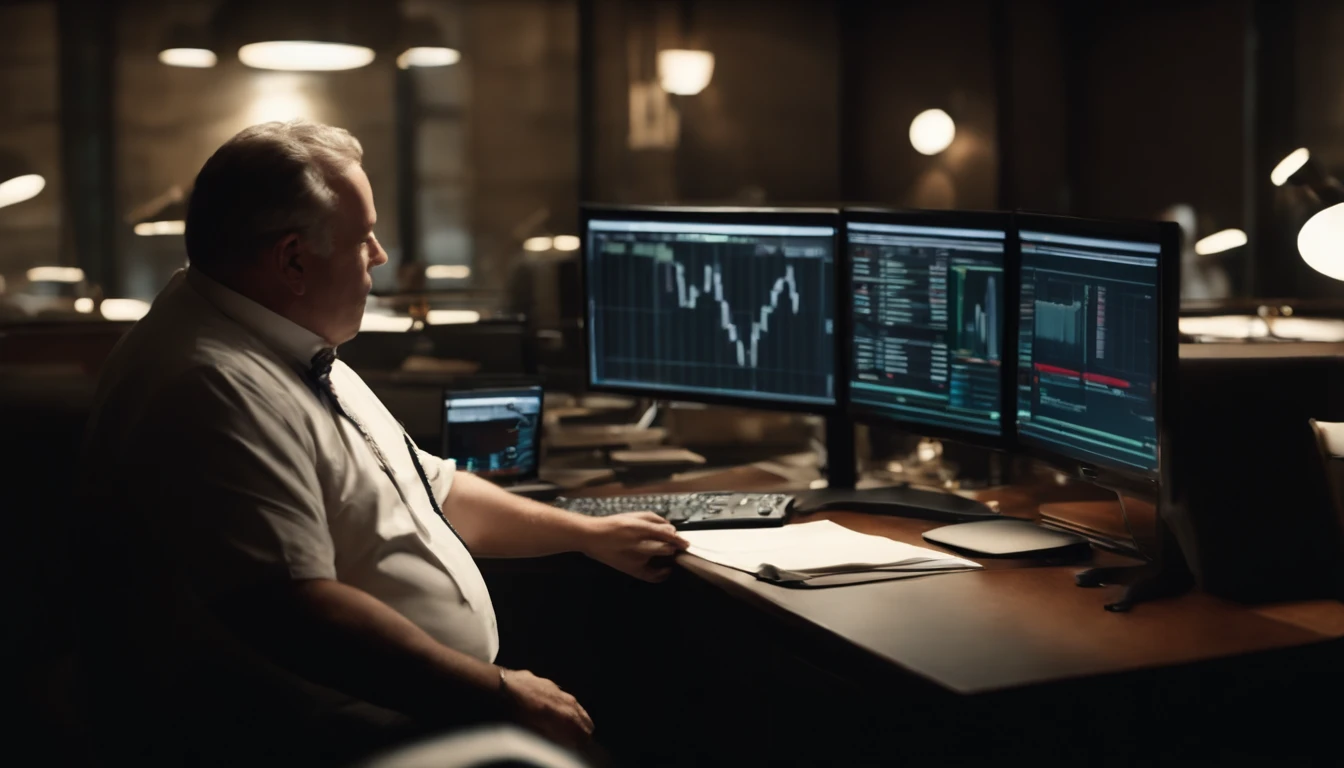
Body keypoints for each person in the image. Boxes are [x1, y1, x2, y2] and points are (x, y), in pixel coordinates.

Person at [76, 120, 688, 766]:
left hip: (403, 713)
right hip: (335, 739)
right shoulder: (211, 384)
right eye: (362, 236)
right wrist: (502, 693)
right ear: (292, 260)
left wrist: (586, 534)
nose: (380, 255)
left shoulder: (287, 340)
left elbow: (435, 490)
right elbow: (299, 614)